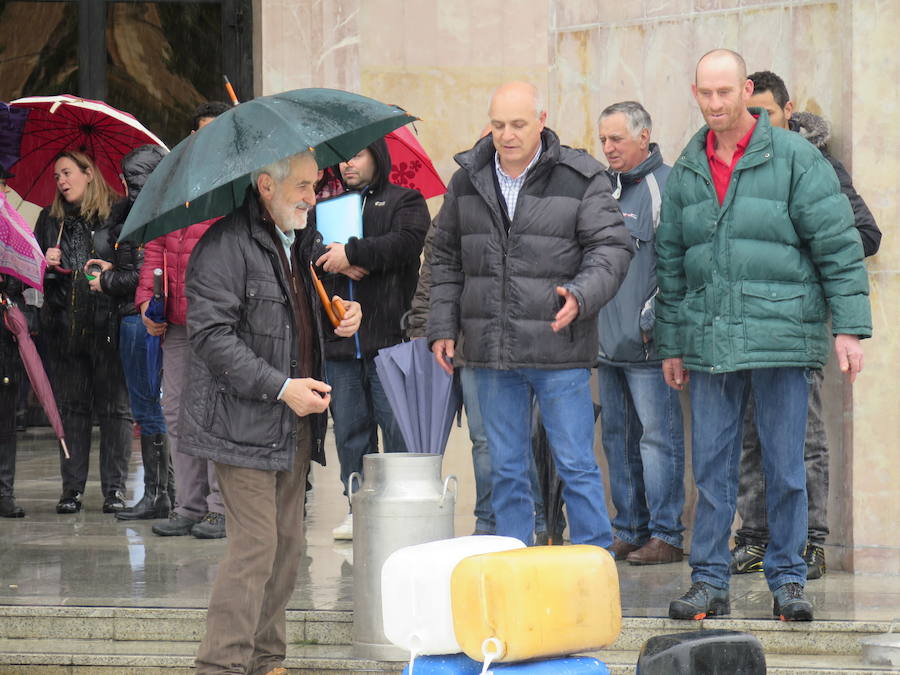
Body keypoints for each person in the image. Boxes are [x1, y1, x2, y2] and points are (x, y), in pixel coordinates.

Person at [657, 49, 871, 622]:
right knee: (713, 470)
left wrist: (849, 329)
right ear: (696, 92)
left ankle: (788, 580)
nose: (716, 104)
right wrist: (673, 341)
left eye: (726, 92)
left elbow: (838, 244)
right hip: (710, 343)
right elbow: (672, 261)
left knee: (786, 467)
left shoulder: (797, 157)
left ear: (746, 89)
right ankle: (707, 582)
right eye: (706, 93)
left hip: (782, 335)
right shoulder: (687, 166)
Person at [178, 149, 360, 675]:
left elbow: (289, 327)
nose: (312, 197)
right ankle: (220, 666)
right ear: (264, 185)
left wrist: (342, 316)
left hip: (293, 420)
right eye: (302, 186)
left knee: (287, 551)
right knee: (256, 548)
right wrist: (282, 387)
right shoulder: (223, 247)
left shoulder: (298, 244)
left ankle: (266, 661)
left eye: (314, 184)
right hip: (243, 420)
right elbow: (213, 339)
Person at [428, 81, 633, 547]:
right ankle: (514, 562)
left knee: (577, 464)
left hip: (558, 348)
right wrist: (441, 324)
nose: (507, 134)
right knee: (505, 469)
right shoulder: (467, 179)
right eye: (498, 124)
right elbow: (444, 257)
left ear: (541, 120)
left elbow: (612, 247)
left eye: (518, 124)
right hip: (490, 354)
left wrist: (582, 295)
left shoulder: (581, 176)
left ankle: (592, 562)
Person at [731, 70, 882, 580]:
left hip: (797, 321)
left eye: (766, 112)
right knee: (750, 435)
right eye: (749, 113)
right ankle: (753, 538)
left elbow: (864, 234)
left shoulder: (820, 164)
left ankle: (811, 542)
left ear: (788, 110)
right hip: (744, 324)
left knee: (805, 438)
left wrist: (793, 257)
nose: (758, 123)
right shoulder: (729, 163)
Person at [315, 138, 429, 541]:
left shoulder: (406, 200)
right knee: (349, 431)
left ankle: (400, 508)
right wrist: (335, 259)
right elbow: (308, 255)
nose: (348, 163)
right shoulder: (324, 207)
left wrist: (353, 253)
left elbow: (406, 244)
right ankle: (356, 506)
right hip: (340, 345)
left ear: (377, 155)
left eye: (357, 153)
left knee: (397, 430)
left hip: (391, 341)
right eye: (343, 157)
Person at [596, 101, 686, 565]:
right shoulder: (603, 189)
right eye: (604, 140)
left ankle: (667, 535)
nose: (608, 148)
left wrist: (654, 325)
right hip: (606, 346)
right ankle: (629, 528)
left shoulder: (666, 187)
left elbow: (676, 269)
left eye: (617, 139)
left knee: (658, 441)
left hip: (650, 348)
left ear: (644, 137)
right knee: (618, 440)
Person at [136, 102, 231, 538]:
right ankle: (188, 505)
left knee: (214, 413)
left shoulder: (237, 185)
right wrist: (145, 302)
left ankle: (220, 507)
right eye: (199, 133)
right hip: (174, 321)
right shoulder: (174, 186)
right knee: (176, 412)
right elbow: (155, 248)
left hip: (218, 321)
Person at [34, 150, 133, 514]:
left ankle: (115, 491)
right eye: (57, 175)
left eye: (67, 172)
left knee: (115, 410)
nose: (61, 181)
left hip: (108, 324)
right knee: (73, 410)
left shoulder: (117, 213)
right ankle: (72, 490)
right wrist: (44, 263)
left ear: (88, 173)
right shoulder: (51, 218)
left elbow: (130, 267)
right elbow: (33, 274)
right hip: (65, 328)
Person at [83, 144, 171, 521]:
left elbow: (140, 277)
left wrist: (105, 279)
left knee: (147, 406)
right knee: (153, 406)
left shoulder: (141, 216)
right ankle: (166, 491)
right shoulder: (158, 212)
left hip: (136, 320)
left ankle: (157, 494)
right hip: (141, 318)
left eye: (126, 177)